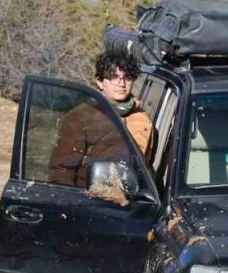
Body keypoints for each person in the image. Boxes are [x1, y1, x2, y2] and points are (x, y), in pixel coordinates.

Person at [47, 49, 154, 186]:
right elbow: (61, 170)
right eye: (114, 77)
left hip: (129, 195)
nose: (121, 84)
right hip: (87, 194)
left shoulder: (143, 120)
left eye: (127, 77)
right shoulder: (82, 116)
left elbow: (145, 171)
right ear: (100, 82)